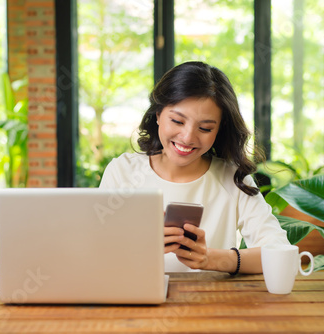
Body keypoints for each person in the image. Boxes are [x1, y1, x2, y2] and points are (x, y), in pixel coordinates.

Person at [99, 61, 289, 274]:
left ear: (219, 130)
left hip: (209, 304)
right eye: (177, 121)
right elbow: (94, 253)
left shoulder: (233, 179)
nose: (188, 137)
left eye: (205, 128)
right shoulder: (123, 172)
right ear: (158, 114)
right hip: (135, 302)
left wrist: (212, 259)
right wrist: (140, 245)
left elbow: (281, 254)